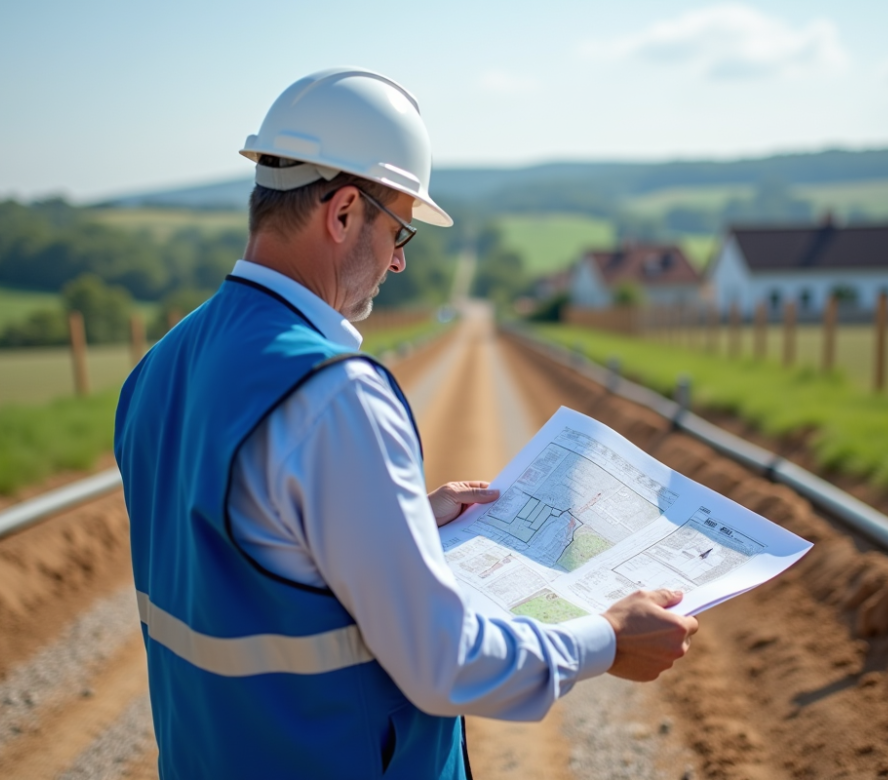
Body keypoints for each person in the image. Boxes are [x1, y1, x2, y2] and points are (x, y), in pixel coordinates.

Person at [114, 67, 698, 780]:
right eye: (400, 231)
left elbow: (239, 557)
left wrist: (399, 521)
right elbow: (440, 662)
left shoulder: (161, 366)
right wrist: (606, 640)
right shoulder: (333, 397)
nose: (396, 259)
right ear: (343, 212)